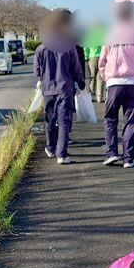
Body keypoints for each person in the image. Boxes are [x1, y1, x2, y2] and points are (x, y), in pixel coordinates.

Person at [98, 2, 134, 169]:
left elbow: (102, 60)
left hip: (114, 82)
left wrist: (105, 77)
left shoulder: (110, 33)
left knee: (110, 118)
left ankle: (111, 153)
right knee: (131, 121)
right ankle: (129, 158)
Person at [34, 9, 85, 165]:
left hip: (47, 90)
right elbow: (76, 69)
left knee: (49, 120)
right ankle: (61, 154)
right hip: (64, 89)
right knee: (64, 122)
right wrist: (81, 83)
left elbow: (37, 71)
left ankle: (50, 147)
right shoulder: (69, 47)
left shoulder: (40, 49)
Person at [83, 22, 107, 103]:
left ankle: (92, 96)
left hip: (91, 58)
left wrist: (85, 58)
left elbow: (86, 48)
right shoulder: (103, 34)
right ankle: (99, 97)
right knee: (100, 77)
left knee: (92, 77)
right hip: (101, 57)